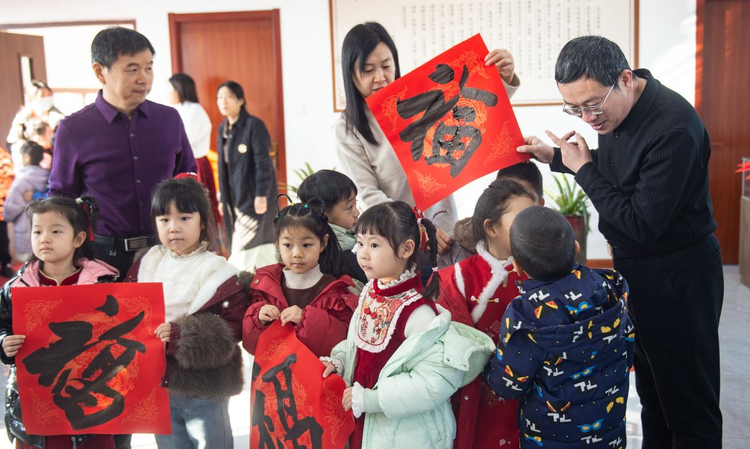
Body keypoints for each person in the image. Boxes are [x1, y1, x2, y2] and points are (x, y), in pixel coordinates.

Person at [517, 36, 724, 448]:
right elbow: (619, 167)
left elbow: (640, 223)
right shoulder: (617, 112)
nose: (587, 118)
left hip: (677, 278)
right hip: (639, 272)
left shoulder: (673, 128)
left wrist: (584, 171)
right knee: (653, 396)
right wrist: (554, 157)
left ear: (624, 79)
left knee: (689, 407)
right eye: (573, 108)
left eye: (592, 105)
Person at [333, 22, 521, 265]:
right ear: (351, 73)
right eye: (368, 70)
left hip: (445, 224)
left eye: (386, 66)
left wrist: (502, 78)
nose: (380, 77)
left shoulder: (415, 96)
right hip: (397, 238)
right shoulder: (348, 128)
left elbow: (472, 110)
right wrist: (417, 229)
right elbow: (368, 195)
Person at [321, 201, 495, 449]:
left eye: (373, 245)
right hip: (364, 420)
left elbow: (432, 381)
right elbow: (359, 347)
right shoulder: (372, 290)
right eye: (360, 243)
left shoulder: (418, 312)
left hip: (404, 433)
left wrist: (372, 399)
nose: (362, 253)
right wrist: (339, 360)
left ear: (406, 249)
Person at [49, 26, 197, 280]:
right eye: (132, 69)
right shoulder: (74, 129)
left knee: (169, 320)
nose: (144, 78)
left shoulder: (169, 119)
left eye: (148, 67)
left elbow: (188, 181)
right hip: (103, 258)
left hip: (166, 251)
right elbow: (61, 200)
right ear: (100, 71)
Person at [484, 206, 634, 449]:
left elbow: (508, 384)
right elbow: (627, 346)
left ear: (518, 267)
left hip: (549, 437)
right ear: (576, 248)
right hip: (608, 430)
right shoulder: (608, 288)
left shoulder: (525, 315)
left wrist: (486, 365)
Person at [124, 176, 247, 449]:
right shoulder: (147, 263)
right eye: (164, 219)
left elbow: (231, 329)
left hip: (203, 385)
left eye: (184, 218)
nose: (173, 228)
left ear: (203, 221)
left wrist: (181, 335)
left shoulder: (219, 272)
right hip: (158, 381)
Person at [0, 196, 119, 449]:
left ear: (78, 239)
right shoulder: (15, 288)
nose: (45, 238)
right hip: (35, 400)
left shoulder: (104, 284)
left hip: (90, 396)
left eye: (55, 231)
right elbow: (1, 325)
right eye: (37, 231)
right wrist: (4, 343)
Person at [437, 179, 536, 449]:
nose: (531, 226)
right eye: (521, 219)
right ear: (491, 227)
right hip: (477, 393)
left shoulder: (543, 272)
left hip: (535, 392)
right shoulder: (457, 277)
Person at [242, 197, 358, 357]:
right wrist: (258, 319)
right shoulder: (266, 285)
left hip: (317, 378)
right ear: (278, 244)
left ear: (323, 243)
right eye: (288, 245)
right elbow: (252, 347)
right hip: (276, 378)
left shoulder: (335, 292)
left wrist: (306, 319)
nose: (297, 254)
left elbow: (343, 343)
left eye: (306, 245)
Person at [216, 80, 278, 272]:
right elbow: (222, 166)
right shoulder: (223, 128)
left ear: (241, 100)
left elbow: (263, 162)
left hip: (254, 196)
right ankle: (269, 280)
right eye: (219, 97)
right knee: (262, 247)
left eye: (229, 97)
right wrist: (222, 196)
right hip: (234, 198)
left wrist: (261, 194)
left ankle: (234, 283)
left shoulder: (254, 126)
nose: (223, 101)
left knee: (242, 244)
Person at [450, 162, 545, 265]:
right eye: (505, 194)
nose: (516, 201)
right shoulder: (453, 253)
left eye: (526, 196)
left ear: (540, 204)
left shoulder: (555, 252)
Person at [297, 169, 367, 283]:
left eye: (356, 203)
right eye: (349, 207)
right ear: (323, 213)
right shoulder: (339, 260)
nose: (357, 212)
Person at [167, 73, 219, 220]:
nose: (168, 93)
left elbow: (184, 140)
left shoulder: (194, 110)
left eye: (170, 88)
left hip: (194, 163)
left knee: (195, 209)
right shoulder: (178, 109)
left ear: (179, 89)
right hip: (183, 164)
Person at [3, 142, 49, 262]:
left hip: (26, 233)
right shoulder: (48, 176)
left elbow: (9, 212)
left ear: (26, 157)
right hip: (48, 231)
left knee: (28, 270)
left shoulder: (21, 181)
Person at [6, 80, 64, 150]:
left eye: (49, 95)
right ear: (31, 99)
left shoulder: (58, 118)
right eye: (42, 96)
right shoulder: (22, 120)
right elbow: (11, 142)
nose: (47, 99)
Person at [0, 146, 15, 277]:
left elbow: (9, 177)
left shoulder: (2, 155)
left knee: (2, 239)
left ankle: (5, 265)